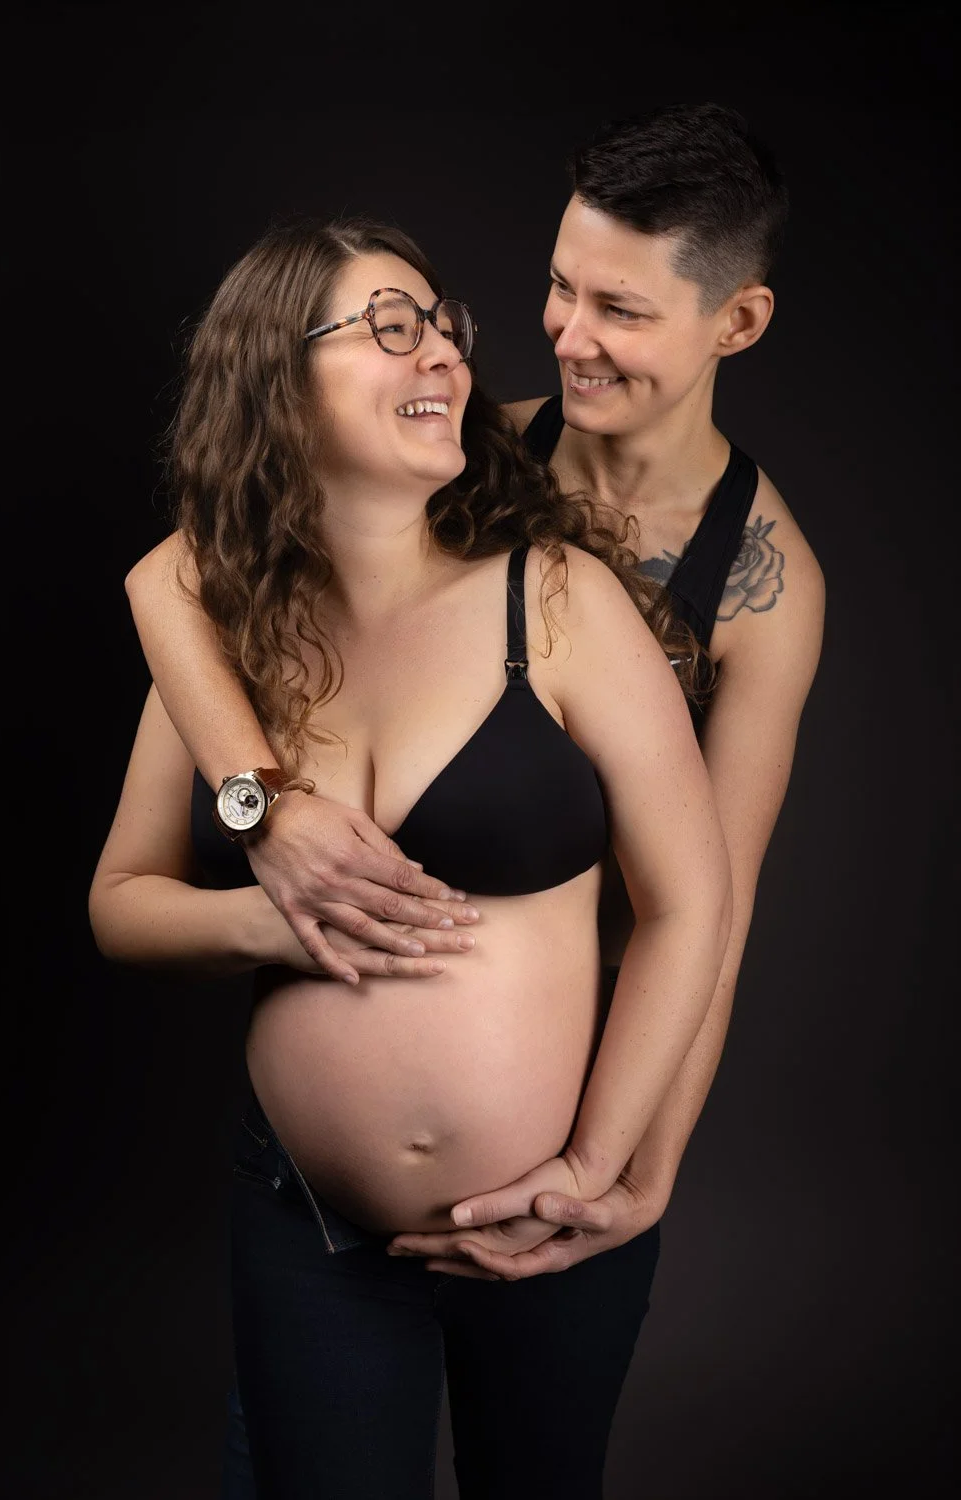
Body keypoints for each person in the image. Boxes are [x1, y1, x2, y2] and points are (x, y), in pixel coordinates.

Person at [125, 104, 824, 1291]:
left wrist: (637, 1168)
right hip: (328, 1115)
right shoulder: (465, 447)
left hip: (579, 1066)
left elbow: (718, 903)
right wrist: (267, 807)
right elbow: (171, 577)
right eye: (560, 287)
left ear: (737, 322)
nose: (568, 334)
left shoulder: (763, 586)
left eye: (621, 311)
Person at [90, 215, 731, 1498]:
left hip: (550, 1228)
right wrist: (270, 910)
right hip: (305, 1229)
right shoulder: (227, 650)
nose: (440, 349)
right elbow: (121, 905)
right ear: (278, 378)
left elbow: (690, 902)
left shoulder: (552, 600)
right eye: (392, 325)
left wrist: (594, 1167)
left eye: (442, 323)